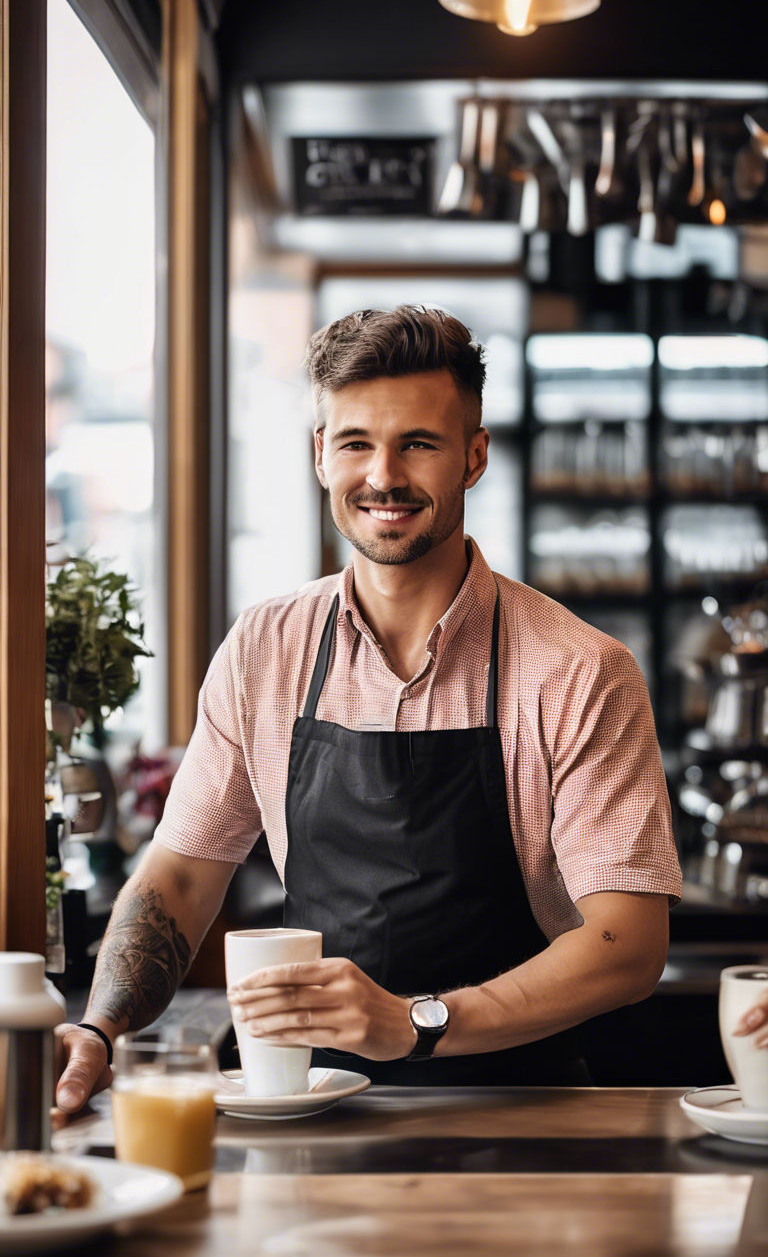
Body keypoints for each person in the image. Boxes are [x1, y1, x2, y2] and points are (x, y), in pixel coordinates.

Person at [57, 304, 687, 1106]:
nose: (384, 476)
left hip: (527, 1116)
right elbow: (180, 878)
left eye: (418, 443)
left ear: (474, 456)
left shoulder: (579, 670)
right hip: (304, 1104)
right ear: (322, 456)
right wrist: (99, 1028)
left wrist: (415, 1022)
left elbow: (627, 946)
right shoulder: (266, 649)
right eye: (356, 443)